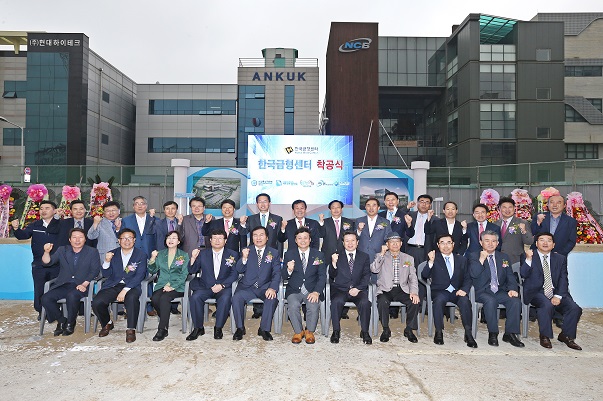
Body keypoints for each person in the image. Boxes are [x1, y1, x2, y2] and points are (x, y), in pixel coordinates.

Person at [521, 232, 582, 350]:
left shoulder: (560, 258)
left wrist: (558, 296)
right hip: (536, 292)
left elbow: (563, 278)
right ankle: (545, 336)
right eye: (542, 240)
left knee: (574, 308)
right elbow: (523, 274)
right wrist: (528, 259)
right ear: (536, 243)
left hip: (555, 292)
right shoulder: (527, 255)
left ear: (553, 245)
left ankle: (566, 335)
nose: (545, 243)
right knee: (546, 304)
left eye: (549, 240)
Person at [40, 228, 101, 336]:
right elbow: (48, 262)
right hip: (64, 284)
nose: (77, 240)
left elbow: (94, 271)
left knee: (72, 296)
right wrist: (46, 252)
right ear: (69, 239)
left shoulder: (92, 252)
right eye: (74, 237)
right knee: (46, 298)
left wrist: (84, 284)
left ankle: (70, 323)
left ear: (85, 239)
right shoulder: (62, 250)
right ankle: (61, 320)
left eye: (80, 237)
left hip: (82, 285)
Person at [468, 230, 524, 347]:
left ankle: (510, 334)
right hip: (482, 291)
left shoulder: (503, 257)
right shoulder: (474, 256)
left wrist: (513, 289)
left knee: (515, 301)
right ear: (481, 242)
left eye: (493, 241)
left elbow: (510, 275)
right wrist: (481, 260)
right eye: (487, 241)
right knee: (490, 301)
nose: (490, 244)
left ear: (498, 243)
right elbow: (474, 274)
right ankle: (493, 333)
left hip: (499, 290)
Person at [91, 228, 148, 343]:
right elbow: (106, 274)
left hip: (132, 285)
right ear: (119, 240)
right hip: (114, 284)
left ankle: (131, 329)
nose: (127, 241)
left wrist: (125, 290)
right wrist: (107, 261)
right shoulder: (113, 253)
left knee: (131, 298)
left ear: (134, 240)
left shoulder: (140, 254)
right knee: (97, 302)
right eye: (124, 238)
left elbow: (140, 275)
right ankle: (107, 323)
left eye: (130, 238)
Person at [422, 234, 476, 348]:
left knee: (465, 301)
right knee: (439, 301)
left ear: (453, 244)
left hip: (457, 291)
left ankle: (468, 333)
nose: (445, 246)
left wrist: (464, 290)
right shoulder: (434, 258)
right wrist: (430, 262)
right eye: (442, 243)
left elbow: (468, 277)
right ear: (438, 245)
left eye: (448, 243)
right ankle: (439, 332)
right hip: (440, 291)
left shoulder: (462, 259)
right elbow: (424, 275)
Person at [187, 229, 239, 341]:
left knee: (225, 298)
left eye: (220, 238)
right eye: (214, 238)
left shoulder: (233, 254)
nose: (217, 241)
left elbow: (234, 274)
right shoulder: (203, 254)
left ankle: (218, 328)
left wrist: (222, 285)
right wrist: (193, 258)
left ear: (225, 241)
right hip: (206, 286)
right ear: (210, 240)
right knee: (195, 297)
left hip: (223, 287)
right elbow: (192, 270)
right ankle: (198, 328)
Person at [11, 200, 61, 317]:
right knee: (39, 289)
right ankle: (41, 312)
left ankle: (55, 312)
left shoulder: (61, 225)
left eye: (47, 208)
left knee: (56, 288)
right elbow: (23, 236)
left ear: (54, 211)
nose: (43, 211)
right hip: (39, 264)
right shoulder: (35, 225)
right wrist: (16, 229)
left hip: (57, 264)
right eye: (41, 208)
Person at [232, 226, 281, 341]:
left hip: (265, 287)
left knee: (271, 299)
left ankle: (264, 329)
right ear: (252, 238)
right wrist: (244, 258)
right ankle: (240, 328)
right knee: (236, 297)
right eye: (255, 235)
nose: (258, 238)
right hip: (247, 287)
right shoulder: (246, 250)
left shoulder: (273, 252)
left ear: (267, 237)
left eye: (261, 235)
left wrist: (272, 288)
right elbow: (239, 269)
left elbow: (277, 273)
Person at [370, 232, 420, 343]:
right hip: (385, 289)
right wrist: (382, 254)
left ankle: (409, 329)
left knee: (414, 302)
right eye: (392, 242)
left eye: (397, 242)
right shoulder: (380, 256)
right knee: (382, 301)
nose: (395, 244)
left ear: (401, 243)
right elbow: (374, 269)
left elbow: (413, 277)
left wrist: (414, 292)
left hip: (402, 289)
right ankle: (386, 329)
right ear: (387, 244)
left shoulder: (408, 258)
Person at [282, 227, 327, 344]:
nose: (303, 241)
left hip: (312, 289)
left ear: (310, 239)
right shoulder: (289, 254)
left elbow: (322, 276)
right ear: (295, 240)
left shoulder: (319, 255)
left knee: (313, 305)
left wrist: (316, 292)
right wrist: (289, 270)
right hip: (294, 289)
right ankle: (298, 331)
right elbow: (284, 276)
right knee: (293, 306)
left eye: (305, 238)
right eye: (300, 238)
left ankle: (309, 331)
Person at [329, 231, 372, 345]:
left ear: (357, 242)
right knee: (336, 301)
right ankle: (336, 331)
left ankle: (365, 332)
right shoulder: (337, 256)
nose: (350, 243)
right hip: (341, 289)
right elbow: (332, 275)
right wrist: (334, 263)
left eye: (353, 240)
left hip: (358, 290)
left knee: (365, 303)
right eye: (347, 241)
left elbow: (366, 275)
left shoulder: (364, 256)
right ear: (343, 243)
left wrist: (358, 288)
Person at [147, 230, 189, 341]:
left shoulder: (184, 255)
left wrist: (172, 286)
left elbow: (184, 274)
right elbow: (152, 270)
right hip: (162, 284)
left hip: (178, 286)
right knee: (154, 298)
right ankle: (164, 318)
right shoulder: (161, 254)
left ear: (178, 241)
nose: (170, 240)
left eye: (174, 238)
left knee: (165, 298)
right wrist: (152, 258)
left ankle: (162, 329)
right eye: (168, 238)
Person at [246, 193, 283, 318]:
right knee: (256, 278)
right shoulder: (251, 219)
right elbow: (243, 234)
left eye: (265, 201)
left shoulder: (277, 219)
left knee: (267, 279)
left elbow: (279, 239)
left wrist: (280, 254)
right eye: (260, 202)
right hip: (255, 253)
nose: (262, 204)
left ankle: (267, 308)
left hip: (271, 254)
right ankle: (257, 311)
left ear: (269, 203)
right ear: (257, 204)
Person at [494, 197, 533, 265]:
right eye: (504, 207)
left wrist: (524, 231)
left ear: (514, 208)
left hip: (515, 260)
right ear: (499, 209)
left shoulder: (522, 222)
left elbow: (529, 241)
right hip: (498, 259)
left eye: (510, 207)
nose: (507, 210)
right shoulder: (495, 224)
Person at [318, 200, 355, 267]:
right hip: (327, 254)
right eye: (333, 208)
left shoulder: (349, 222)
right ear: (330, 210)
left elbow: (352, 236)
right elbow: (321, 234)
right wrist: (321, 222)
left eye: (338, 207)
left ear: (341, 209)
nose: (336, 210)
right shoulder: (325, 222)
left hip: (344, 253)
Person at [356, 197, 392, 264]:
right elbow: (353, 239)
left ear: (378, 208)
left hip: (379, 256)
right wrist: (359, 230)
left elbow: (388, 239)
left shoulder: (385, 222)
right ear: (365, 208)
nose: (371, 208)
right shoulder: (359, 220)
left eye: (374, 205)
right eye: (368, 205)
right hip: (361, 256)